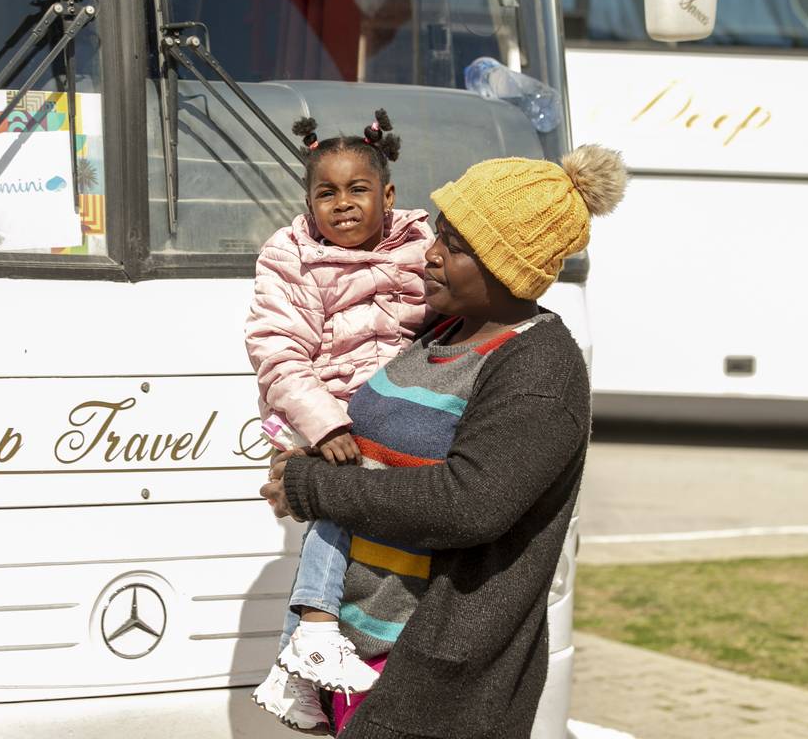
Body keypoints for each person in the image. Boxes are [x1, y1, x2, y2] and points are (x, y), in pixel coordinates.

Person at [261, 146, 628, 738]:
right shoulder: (440, 331)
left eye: (454, 246)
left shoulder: (538, 370)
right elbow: (379, 450)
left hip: (430, 679)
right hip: (358, 649)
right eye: (439, 235)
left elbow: (467, 502)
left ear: (506, 266)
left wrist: (314, 486)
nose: (429, 254)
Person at [245, 109, 435, 733]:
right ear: (308, 202)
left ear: (388, 196)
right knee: (337, 508)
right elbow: (277, 352)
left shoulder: (423, 247)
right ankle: (318, 632)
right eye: (326, 193)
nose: (342, 204)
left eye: (358, 190)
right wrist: (327, 426)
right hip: (317, 417)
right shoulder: (291, 255)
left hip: (392, 415)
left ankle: (294, 669)